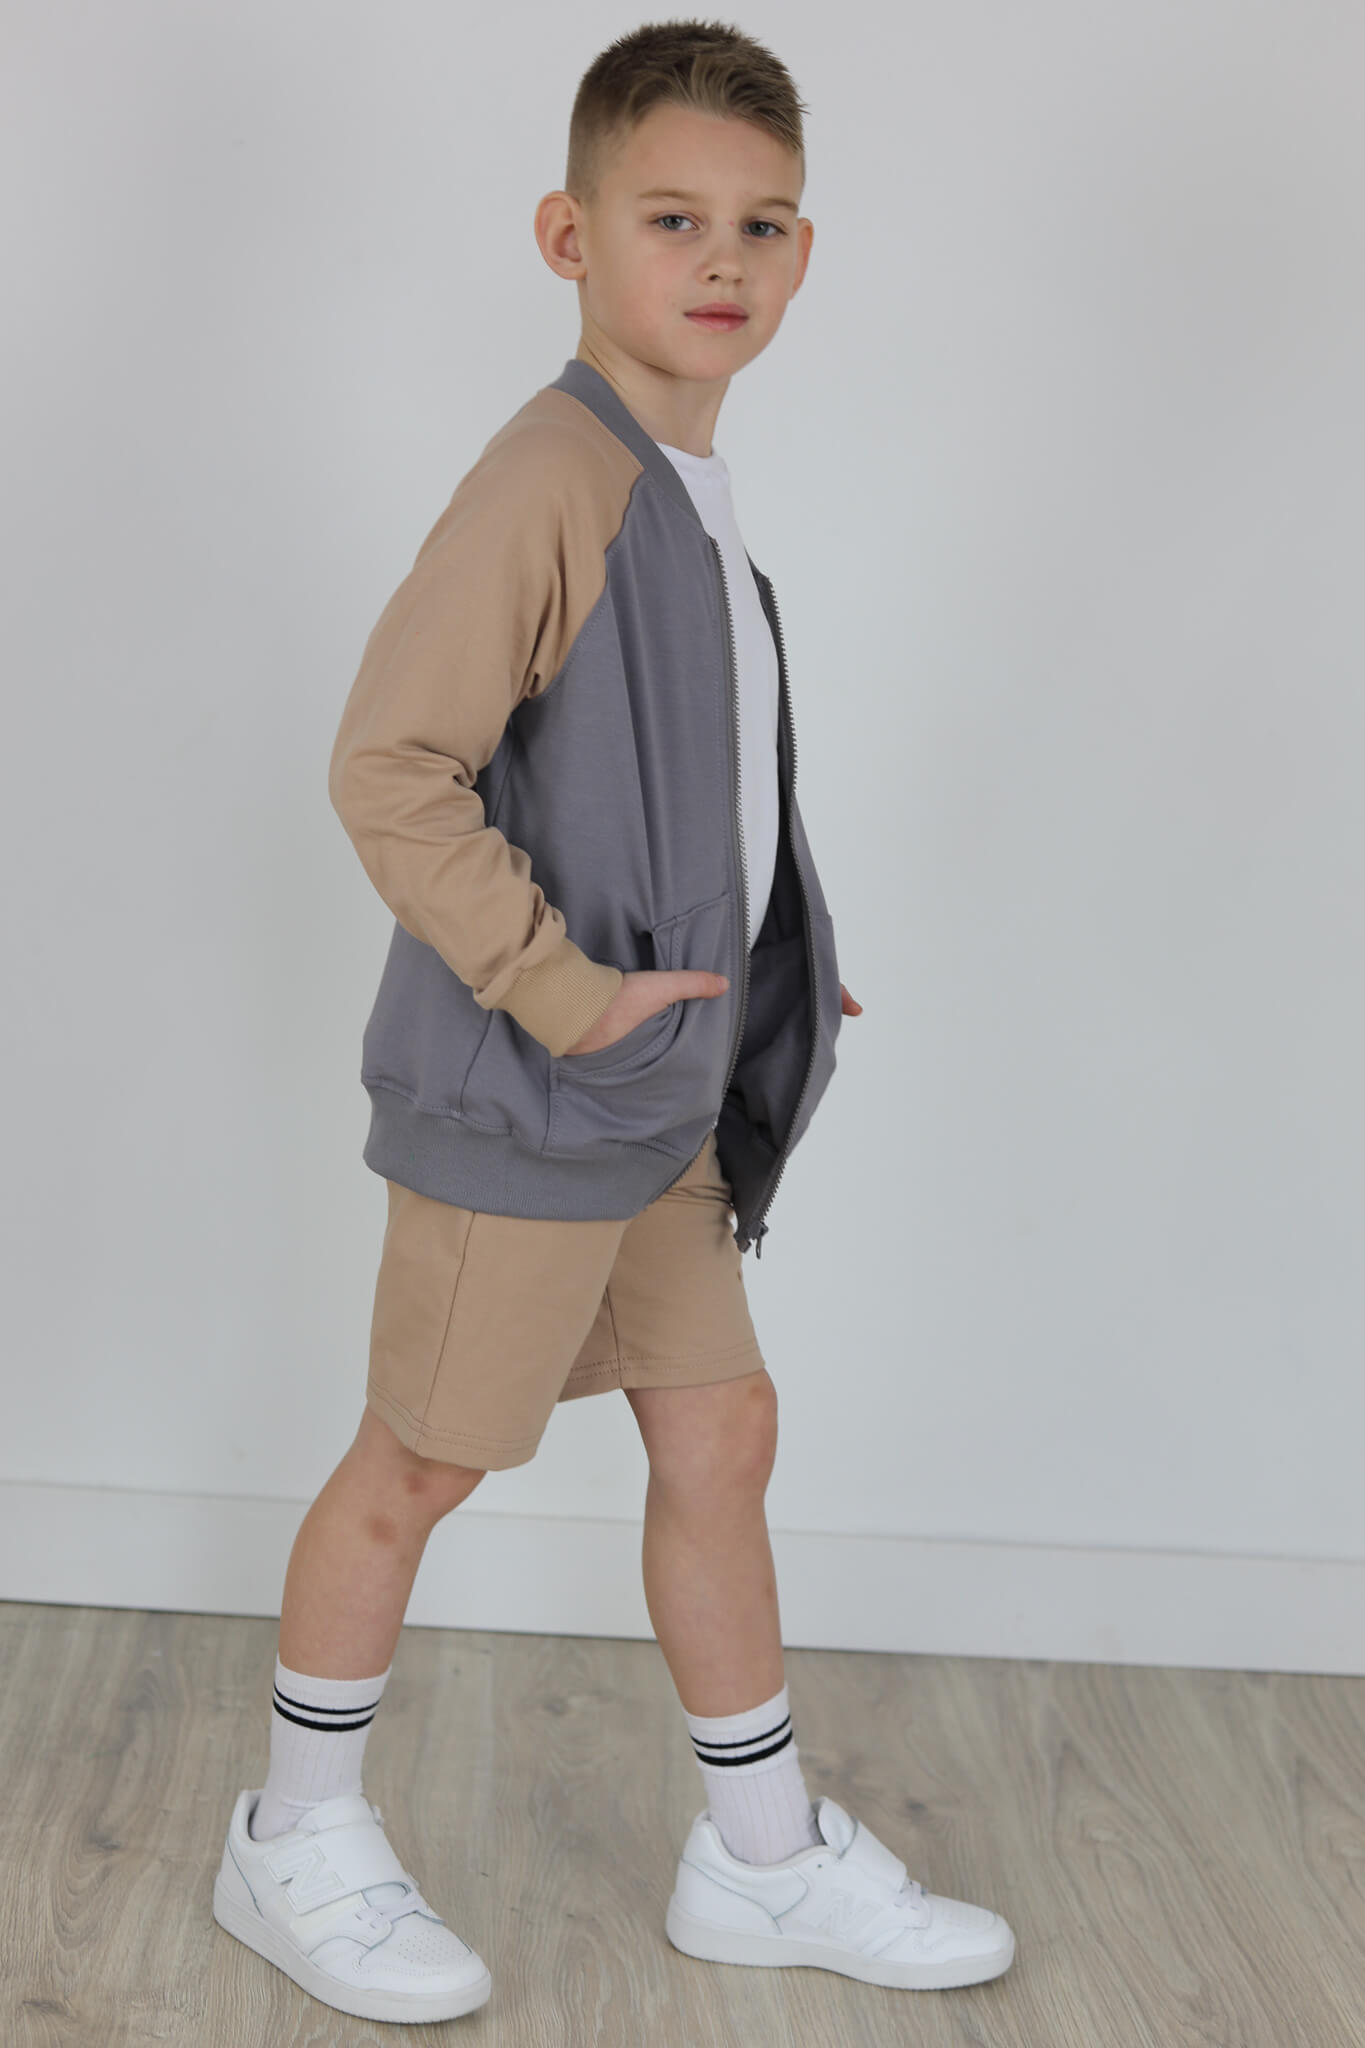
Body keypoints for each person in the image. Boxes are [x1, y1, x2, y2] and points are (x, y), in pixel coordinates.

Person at [212, 18, 1015, 2024]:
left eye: (760, 224)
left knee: (720, 1430)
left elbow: (687, 781)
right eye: (671, 219)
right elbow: (390, 766)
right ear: (569, 236)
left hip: (655, 1095)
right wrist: (565, 991)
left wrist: (766, 956)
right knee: (417, 1461)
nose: (719, 259)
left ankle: (758, 1855)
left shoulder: (684, 483)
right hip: (530, 1095)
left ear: (802, 254)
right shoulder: (549, 478)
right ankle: (291, 1834)